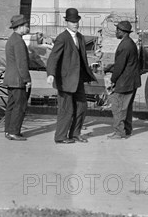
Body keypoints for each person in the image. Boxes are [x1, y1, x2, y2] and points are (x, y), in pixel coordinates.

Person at [46, 8, 97, 144]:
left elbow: (82, 58)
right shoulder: (62, 38)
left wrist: (88, 73)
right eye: (72, 22)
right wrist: (50, 74)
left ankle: (75, 134)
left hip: (78, 80)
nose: (75, 24)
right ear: (66, 22)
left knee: (82, 107)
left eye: (77, 21)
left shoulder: (80, 37)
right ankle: (60, 136)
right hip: (65, 80)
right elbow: (53, 58)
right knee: (66, 110)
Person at [106, 20, 141, 139]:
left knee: (118, 108)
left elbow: (119, 67)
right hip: (132, 81)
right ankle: (127, 130)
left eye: (117, 30)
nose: (116, 32)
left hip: (124, 82)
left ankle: (119, 133)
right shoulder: (130, 43)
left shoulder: (124, 46)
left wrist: (112, 79)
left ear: (121, 31)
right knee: (127, 108)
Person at [3, 14, 32, 141]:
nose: (28, 29)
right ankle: (14, 132)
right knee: (19, 106)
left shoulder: (12, 39)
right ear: (19, 27)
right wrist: (27, 80)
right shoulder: (19, 42)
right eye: (26, 26)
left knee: (11, 105)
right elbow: (22, 64)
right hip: (18, 80)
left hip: (11, 79)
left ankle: (8, 131)